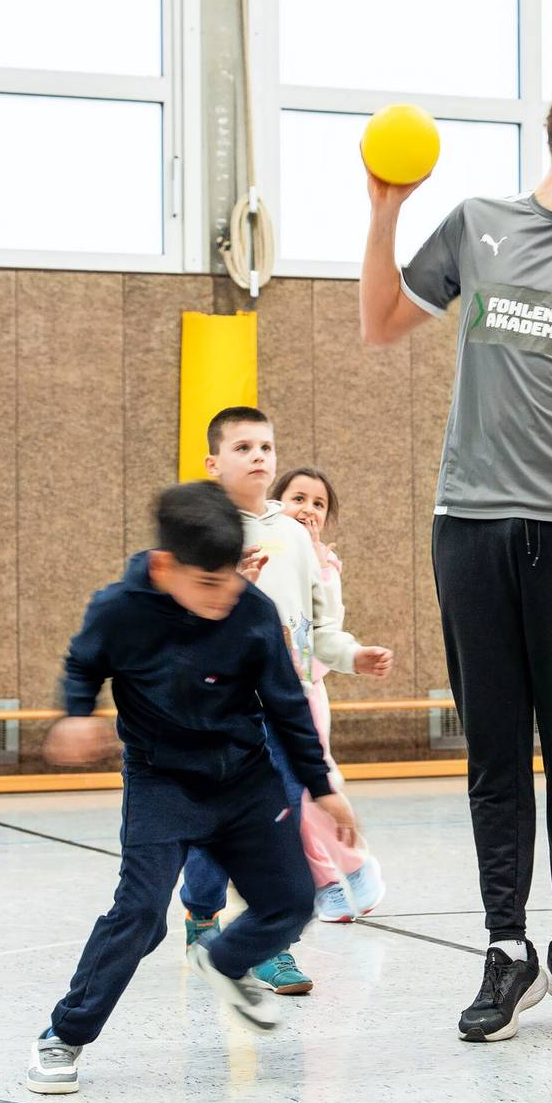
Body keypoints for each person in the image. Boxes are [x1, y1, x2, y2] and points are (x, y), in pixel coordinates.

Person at [357, 76, 552, 1042]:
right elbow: (381, 322)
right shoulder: (478, 225)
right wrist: (385, 210)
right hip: (471, 525)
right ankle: (506, 949)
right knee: (494, 747)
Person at [26, 482, 361, 1096]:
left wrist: (321, 785)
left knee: (292, 901)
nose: (224, 596)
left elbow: (286, 704)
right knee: (139, 914)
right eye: (208, 583)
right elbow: (83, 663)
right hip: (163, 783)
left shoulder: (250, 611)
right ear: (164, 568)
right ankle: (63, 1036)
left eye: (231, 579)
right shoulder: (119, 609)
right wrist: (75, 712)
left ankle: (223, 961)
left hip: (246, 780)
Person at [177, 408, 393, 996]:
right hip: (221, 713)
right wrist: (227, 588)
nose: (257, 456)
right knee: (215, 831)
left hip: (283, 709)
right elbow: (178, 626)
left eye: (265, 446)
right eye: (243, 447)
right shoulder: (202, 532)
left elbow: (320, 630)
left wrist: (353, 655)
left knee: (277, 829)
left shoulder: (295, 537)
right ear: (213, 462)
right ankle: (202, 915)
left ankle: (271, 946)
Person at [271, 465, 387, 922]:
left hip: (302, 693)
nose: (308, 510)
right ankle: (324, 882)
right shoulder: (259, 550)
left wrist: (354, 655)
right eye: (298, 499)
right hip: (254, 696)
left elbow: (326, 632)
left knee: (310, 786)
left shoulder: (323, 565)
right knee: (281, 799)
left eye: (318, 504)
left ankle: (356, 867)